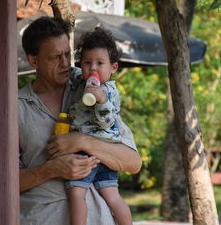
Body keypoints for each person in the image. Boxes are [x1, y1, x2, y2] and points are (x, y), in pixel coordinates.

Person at [18, 16, 141, 225]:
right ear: (34, 61)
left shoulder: (94, 88)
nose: (65, 63)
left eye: (67, 54)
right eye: (55, 57)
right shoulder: (16, 106)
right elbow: (2, 182)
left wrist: (82, 141)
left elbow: (133, 163)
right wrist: (52, 169)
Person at [66, 27, 132, 225]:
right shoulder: (82, 81)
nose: (92, 69)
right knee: (112, 195)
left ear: (113, 68)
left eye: (100, 63)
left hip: (92, 151)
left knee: (76, 193)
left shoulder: (108, 92)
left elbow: (107, 121)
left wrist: (101, 100)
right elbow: (74, 74)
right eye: (87, 62)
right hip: (106, 155)